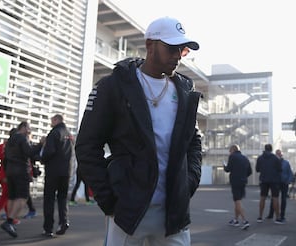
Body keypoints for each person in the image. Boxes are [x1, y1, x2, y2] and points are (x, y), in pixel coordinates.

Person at [75, 16, 202, 246]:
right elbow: (87, 145)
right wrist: (110, 199)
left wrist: (190, 180)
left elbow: (193, 142)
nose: (177, 56)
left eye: (182, 50)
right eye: (171, 48)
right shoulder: (114, 86)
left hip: (174, 214)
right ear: (150, 45)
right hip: (128, 213)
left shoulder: (185, 91)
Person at [1, 121, 43, 238]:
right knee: (23, 198)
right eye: (29, 128)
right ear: (23, 127)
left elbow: (5, 157)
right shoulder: (22, 139)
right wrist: (40, 144)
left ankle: (10, 221)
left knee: (12, 197)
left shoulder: (10, 140)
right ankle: (9, 222)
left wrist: (6, 172)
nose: (30, 130)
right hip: (21, 171)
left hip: (10, 171)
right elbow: (29, 152)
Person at [41, 114, 73, 237]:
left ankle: (48, 228)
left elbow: (49, 151)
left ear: (56, 120)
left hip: (53, 171)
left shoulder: (54, 133)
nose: (51, 123)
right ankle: (63, 222)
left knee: (49, 199)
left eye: (51, 120)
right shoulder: (69, 134)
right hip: (66, 171)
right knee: (62, 198)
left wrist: (42, 159)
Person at [223, 144, 252, 230]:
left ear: (233, 150)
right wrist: (243, 176)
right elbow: (250, 171)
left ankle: (245, 220)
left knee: (237, 201)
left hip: (235, 181)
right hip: (243, 181)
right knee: (237, 200)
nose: (229, 152)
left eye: (230, 150)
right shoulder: (245, 158)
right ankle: (236, 220)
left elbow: (228, 169)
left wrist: (224, 165)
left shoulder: (232, 157)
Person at [255, 144, 282, 224]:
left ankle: (260, 217)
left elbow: (257, 169)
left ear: (265, 149)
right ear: (271, 149)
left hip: (263, 180)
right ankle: (277, 218)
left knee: (262, 198)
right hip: (274, 180)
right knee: (275, 198)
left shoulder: (260, 158)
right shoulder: (275, 158)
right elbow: (280, 169)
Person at [266, 149, 294, 222]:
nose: (278, 155)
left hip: (284, 183)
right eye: (277, 154)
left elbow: (290, 173)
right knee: (274, 198)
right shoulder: (273, 163)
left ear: (282, 155)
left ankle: (282, 215)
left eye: (280, 154)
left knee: (283, 199)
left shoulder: (286, 163)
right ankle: (271, 214)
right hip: (275, 182)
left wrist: (288, 181)